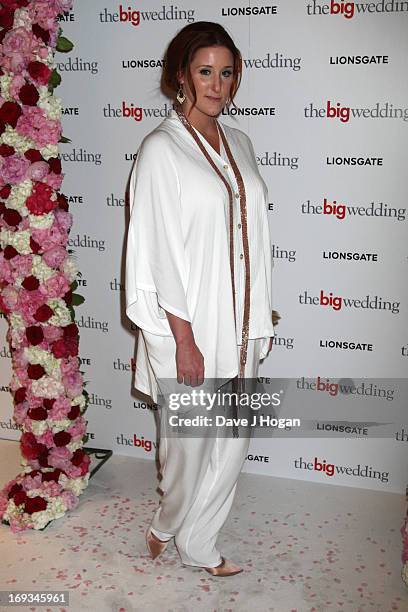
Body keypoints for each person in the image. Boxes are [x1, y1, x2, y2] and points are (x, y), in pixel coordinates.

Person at [125, 21, 275, 577]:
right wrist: (183, 340)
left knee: (233, 436)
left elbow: (251, 236)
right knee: (187, 447)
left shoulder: (241, 143)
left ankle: (200, 542)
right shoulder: (161, 150)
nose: (217, 84)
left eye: (227, 72)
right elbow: (158, 250)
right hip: (187, 319)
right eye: (205, 71)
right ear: (181, 76)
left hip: (241, 320)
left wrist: (257, 318)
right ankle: (168, 522)